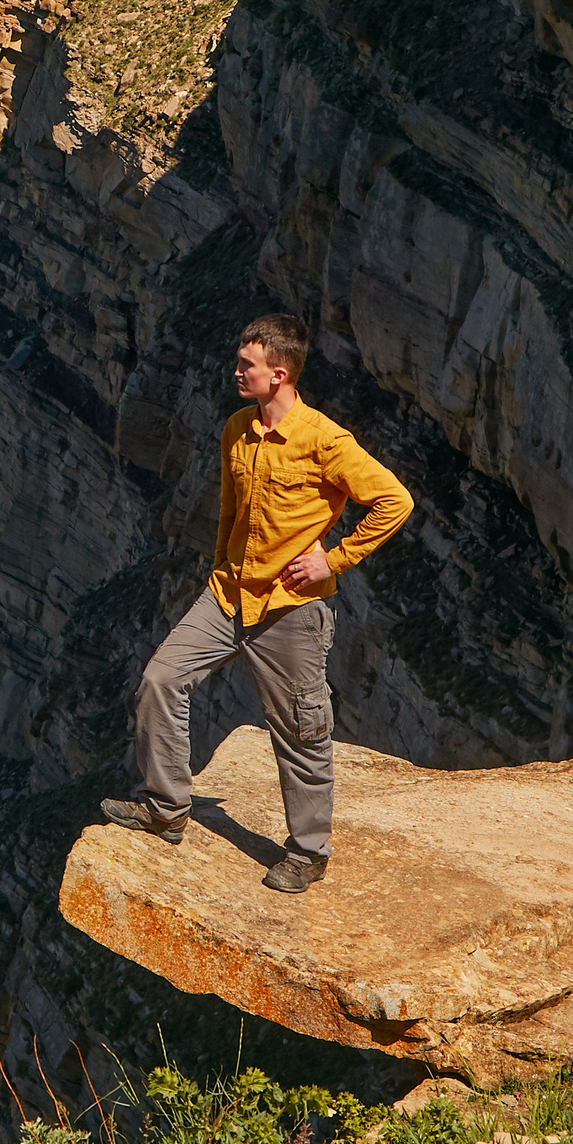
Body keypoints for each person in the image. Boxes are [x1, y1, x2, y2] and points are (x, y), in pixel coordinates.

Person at [100, 313, 414, 892]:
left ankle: (308, 851)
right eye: (240, 361)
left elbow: (394, 501)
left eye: (248, 365)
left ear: (281, 373)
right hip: (228, 595)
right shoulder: (236, 429)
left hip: (291, 609)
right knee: (160, 680)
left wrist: (334, 560)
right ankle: (166, 807)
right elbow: (229, 510)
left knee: (300, 729)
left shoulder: (325, 440)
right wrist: (221, 564)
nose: (237, 371)